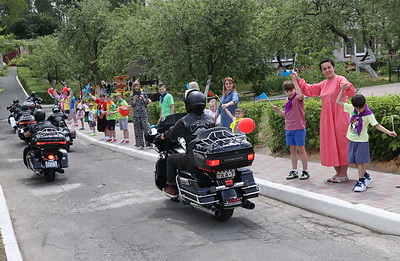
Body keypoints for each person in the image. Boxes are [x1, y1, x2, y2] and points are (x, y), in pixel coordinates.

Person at [293, 57, 356, 183]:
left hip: (340, 116)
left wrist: (346, 86)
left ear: (334, 68)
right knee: (330, 144)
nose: (327, 70)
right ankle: (337, 173)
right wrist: (297, 79)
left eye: (329, 67)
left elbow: (350, 92)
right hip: (327, 118)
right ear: (321, 71)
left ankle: (343, 173)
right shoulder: (323, 84)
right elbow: (309, 90)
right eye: (324, 69)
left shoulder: (340, 79)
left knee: (342, 144)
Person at [336, 91, 397, 192]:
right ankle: (367, 176)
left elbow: (377, 125)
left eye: (360, 108)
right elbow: (338, 101)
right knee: (355, 162)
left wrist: (388, 132)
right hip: (351, 139)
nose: (359, 110)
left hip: (362, 140)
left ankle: (361, 181)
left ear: (364, 104)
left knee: (360, 162)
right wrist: (342, 90)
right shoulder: (352, 109)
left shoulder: (368, 114)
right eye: (357, 108)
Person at [160, 90, 215, 197]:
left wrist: (161, 136)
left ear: (189, 104)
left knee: (171, 159)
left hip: (192, 158)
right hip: (207, 155)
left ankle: (172, 188)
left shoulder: (184, 121)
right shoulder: (210, 119)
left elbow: (171, 134)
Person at [272, 80, 309, 180]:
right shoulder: (287, 101)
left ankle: (305, 171)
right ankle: (294, 170)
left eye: (291, 90)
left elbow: (301, 94)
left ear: (294, 89)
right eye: (287, 91)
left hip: (299, 128)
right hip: (289, 128)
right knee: (292, 150)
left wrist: (295, 80)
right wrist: (278, 111)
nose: (289, 93)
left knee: (301, 149)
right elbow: (287, 115)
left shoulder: (298, 98)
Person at [23, 109, 63, 174]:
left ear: (35, 117)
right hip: (53, 144)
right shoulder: (50, 123)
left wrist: (24, 134)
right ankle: (59, 165)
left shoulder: (34, 126)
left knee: (26, 150)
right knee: (59, 152)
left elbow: (27, 135)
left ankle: (29, 166)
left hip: (40, 146)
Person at [130, 81, 151, 148]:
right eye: (135, 86)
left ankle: (149, 143)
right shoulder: (132, 95)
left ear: (139, 87)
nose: (136, 87)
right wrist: (134, 99)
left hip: (143, 113)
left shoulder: (143, 94)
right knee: (137, 130)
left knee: (146, 128)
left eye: (137, 86)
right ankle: (139, 144)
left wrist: (143, 99)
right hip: (136, 114)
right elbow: (132, 105)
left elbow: (147, 102)